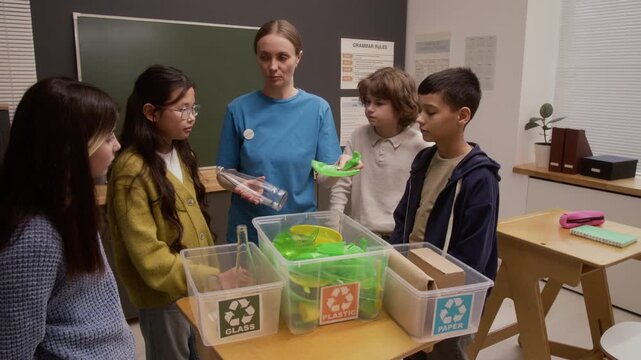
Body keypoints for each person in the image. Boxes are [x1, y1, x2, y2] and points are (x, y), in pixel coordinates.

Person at [107, 65, 238, 360]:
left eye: (194, 108)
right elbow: (150, 259)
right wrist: (214, 278)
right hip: (163, 299)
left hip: (196, 288)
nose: (191, 117)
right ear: (151, 112)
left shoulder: (181, 151)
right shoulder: (132, 169)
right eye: (182, 109)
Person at [0, 77, 134, 359]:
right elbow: (14, 349)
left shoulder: (69, 207)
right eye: (108, 136)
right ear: (73, 146)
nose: (118, 145)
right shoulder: (35, 236)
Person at [389, 67, 500, 360]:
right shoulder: (424, 159)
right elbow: (404, 218)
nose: (419, 119)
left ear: (462, 116)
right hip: (413, 280)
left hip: (450, 296)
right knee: (410, 350)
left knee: (444, 353)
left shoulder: (480, 177)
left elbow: (474, 254)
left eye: (430, 112)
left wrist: (441, 293)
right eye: (419, 109)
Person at [217, 19, 345, 244]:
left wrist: (341, 170)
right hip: (250, 230)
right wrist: (238, 184)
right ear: (256, 57)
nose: (273, 66)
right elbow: (224, 173)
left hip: (299, 232)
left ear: (298, 57)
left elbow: (325, 179)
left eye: (282, 57)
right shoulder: (238, 109)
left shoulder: (318, 109)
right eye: (265, 57)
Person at [329, 67, 428, 238]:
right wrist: (334, 223)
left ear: (401, 106)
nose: (369, 108)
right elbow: (341, 184)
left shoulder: (421, 145)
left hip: (397, 236)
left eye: (379, 103)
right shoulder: (359, 135)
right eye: (367, 102)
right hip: (359, 233)